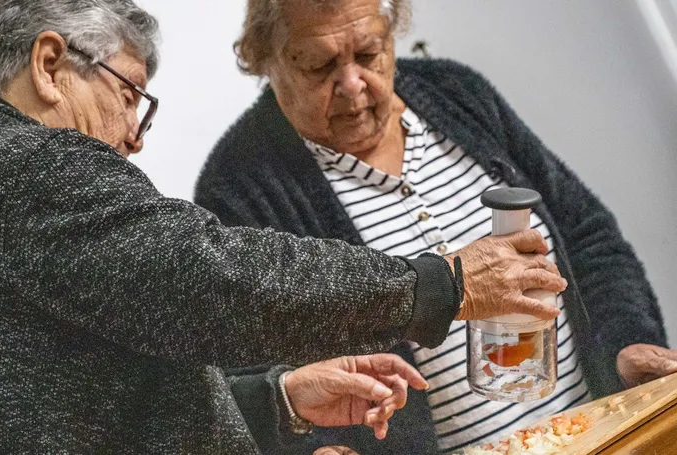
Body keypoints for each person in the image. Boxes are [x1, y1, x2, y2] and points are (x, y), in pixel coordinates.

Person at [0, 0, 567, 453]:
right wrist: (439, 284)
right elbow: (211, 277)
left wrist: (280, 398)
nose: (134, 139)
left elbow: (90, 414)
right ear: (50, 66)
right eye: (130, 96)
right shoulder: (11, 167)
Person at [194, 0, 675, 453]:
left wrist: (626, 343)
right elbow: (250, 375)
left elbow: (588, 237)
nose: (353, 84)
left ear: (391, 36)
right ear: (266, 61)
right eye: (318, 67)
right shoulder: (238, 185)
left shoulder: (457, 93)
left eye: (369, 54)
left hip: (600, 432)